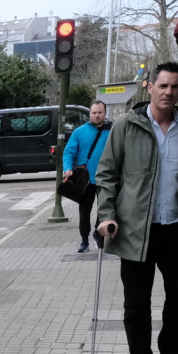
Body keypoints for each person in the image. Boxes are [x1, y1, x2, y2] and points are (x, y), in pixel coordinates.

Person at [95, 61, 178, 354]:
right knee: (137, 301)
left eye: (175, 87)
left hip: (177, 227)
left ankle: (171, 353)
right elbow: (106, 174)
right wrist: (107, 216)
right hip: (136, 229)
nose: (169, 92)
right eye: (163, 86)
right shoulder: (127, 126)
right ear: (150, 86)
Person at [63, 100, 111, 252]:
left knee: (104, 210)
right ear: (89, 114)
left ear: (105, 113)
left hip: (106, 178)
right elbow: (68, 152)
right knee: (84, 211)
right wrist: (68, 168)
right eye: (94, 113)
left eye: (99, 113)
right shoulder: (79, 132)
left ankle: (98, 232)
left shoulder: (112, 131)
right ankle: (84, 240)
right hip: (86, 180)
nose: (97, 116)